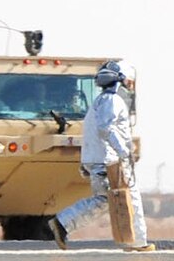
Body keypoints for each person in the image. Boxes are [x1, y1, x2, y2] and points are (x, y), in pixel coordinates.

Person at [48, 60, 152, 250]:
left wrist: (86, 163)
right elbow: (107, 129)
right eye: (128, 82)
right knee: (129, 197)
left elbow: (91, 133)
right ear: (121, 81)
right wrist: (123, 153)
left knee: (105, 199)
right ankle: (137, 243)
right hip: (110, 160)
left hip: (100, 160)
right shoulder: (113, 101)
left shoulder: (100, 102)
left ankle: (63, 223)